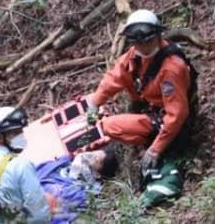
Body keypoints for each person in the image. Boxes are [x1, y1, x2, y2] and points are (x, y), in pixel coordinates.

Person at [84, 10, 197, 177]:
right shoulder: (135, 55)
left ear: (158, 36)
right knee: (123, 82)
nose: (143, 48)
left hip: (170, 121)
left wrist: (155, 150)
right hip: (151, 105)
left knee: (109, 126)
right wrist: (95, 103)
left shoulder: (171, 68)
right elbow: (115, 76)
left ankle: (154, 139)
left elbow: (176, 115)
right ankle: (145, 128)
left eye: (147, 42)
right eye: (138, 44)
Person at [36, 144, 118, 224]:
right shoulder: (60, 164)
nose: (88, 156)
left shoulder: (79, 195)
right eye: (93, 153)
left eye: (96, 159)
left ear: (97, 175)